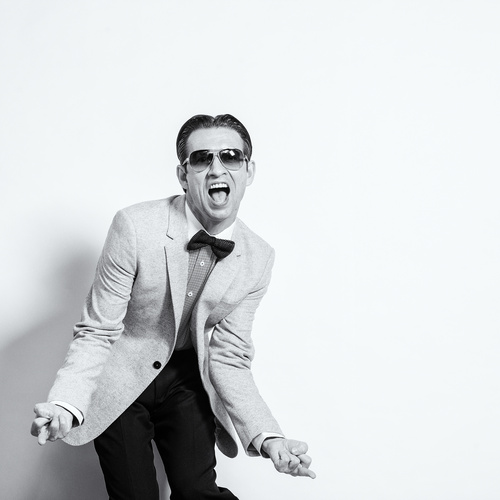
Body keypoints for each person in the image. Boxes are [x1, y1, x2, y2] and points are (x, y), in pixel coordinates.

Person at [31, 114, 315, 499]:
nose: (217, 168)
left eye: (231, 156)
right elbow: (97, 330)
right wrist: (66, 403)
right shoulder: (135, 226)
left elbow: (229, 356)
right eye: (202, 158)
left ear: (249, 171)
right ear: (183, 175)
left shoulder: (258, 257)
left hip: (185, 377)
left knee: (198, 491)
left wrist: (270, 438)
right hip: (121, 371)